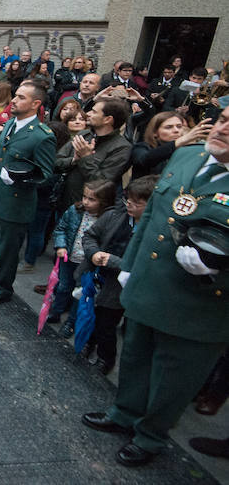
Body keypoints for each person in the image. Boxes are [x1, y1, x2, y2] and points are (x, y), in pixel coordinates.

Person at [81, 103, 229, 468]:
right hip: (149, 284)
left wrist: (216, 270)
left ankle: (150, 435)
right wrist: (130, 267)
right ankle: (124, 413)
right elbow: (152, 217)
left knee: (173, 378)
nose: (223, 129)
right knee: (135, 357)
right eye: (224, 120)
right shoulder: (189, 155)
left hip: (199, 303)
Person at [0, 80, 57, 305]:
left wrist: (19, 178)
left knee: (7, 249)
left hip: (16, 202)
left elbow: (45, 174)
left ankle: (1, 288)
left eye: (21, 97)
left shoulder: (42, 135)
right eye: (16, 95)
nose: (14, 100)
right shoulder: (12, 123)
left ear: (36, 104)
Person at [79, 176, 156, 375]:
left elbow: (144, 264)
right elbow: (90, 236)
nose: (129, 206)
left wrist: (113, 261)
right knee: (90, 314)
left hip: (119, 287)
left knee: (107, 323)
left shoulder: (154, 232)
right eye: (127, 200)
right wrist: (94, 252)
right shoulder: (114, 216)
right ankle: (88, 342)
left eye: (137, 203)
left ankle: (106, 358)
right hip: (97, 278)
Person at [48, 180, 116, 337]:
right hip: (69, 258)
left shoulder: (108, 219)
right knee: (63, 286)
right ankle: (55, 311)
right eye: (84, 197)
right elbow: (61, 229)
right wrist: (61, 246)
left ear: (105, 201)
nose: (85, 202)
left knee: (80, 293)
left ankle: (71, 322)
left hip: (88, 264)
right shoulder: (75, 210)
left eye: (92, 199)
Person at [53, 99, 131, 213]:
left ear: (107, 119)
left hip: (90, 211)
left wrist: (86, 157)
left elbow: (102, 183)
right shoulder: (83, 135)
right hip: (63, 203)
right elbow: (55, 163)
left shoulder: (122, 148)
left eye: (94, 112)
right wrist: (74, 160)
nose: (88, 113)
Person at [131, 112, 210, 178]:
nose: (176, 130)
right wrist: (181, 140)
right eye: (168, 127)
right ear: (155, 132)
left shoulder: (183, 151)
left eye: (179, 126)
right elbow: (144, 160)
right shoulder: (141, 147)